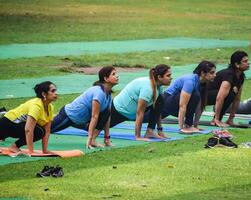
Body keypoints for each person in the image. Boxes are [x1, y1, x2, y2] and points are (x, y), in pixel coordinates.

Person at [51, 66, 119, 149]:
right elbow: (94, 116)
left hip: (81, 120)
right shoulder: (99, 93)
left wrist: (107, 138)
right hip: (69, 116)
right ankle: (32, 120)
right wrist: (89, 138)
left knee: (107, 112)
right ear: (106, 78)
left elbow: (107, 116)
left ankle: (94, 140)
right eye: (113, 74)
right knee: (45, 130)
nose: (117, 76)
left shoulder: (108, 95)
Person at [110, 64, 172, 140]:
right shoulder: (148, 89)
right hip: (118, 111)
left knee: (160, 100)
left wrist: (160, 130)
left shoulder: (159, 87)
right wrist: (138, 136)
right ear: (159, 77)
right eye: (168, 76)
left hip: (131, 113)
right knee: (96, 127)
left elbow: (158, 109)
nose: (171, 78)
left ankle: (150, 131)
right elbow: (140, 113)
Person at [0, 81, 57, 155]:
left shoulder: (50, 107)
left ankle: (14, 147)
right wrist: (31, 152)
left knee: (41, 131)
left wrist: (45, 151)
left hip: (14, 127)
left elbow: (47, 130)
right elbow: (28, 130)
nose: (56, 93)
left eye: (55, 90)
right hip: (6, 124)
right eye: (53, 91)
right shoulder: (36, 106)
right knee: (38, 130)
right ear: (44, 94)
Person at [162, 61, 216, 133]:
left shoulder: (204, 83)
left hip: (173, 106)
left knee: (149, 118)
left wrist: (196, 125)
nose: (215, 75)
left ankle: (189, 125)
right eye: (212, 73)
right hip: (166, 102)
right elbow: (182, 105)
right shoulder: (190, 81)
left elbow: (200, 105)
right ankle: (188, 125)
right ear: (203, 73)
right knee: (195, 95)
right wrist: (181, 128)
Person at [206, 50, 249, 127]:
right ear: (237, 64)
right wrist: (216, 119)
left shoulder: (241, 76)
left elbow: (237, 98)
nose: (248, 63)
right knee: (229, 94)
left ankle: (226, 120)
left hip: (216, 96)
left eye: (247, 60)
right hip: (204, 95)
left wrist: (231, 118)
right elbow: (220, 97)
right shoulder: (229, 74)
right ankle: (215, 120)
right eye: (245, 61)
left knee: (232, 95)